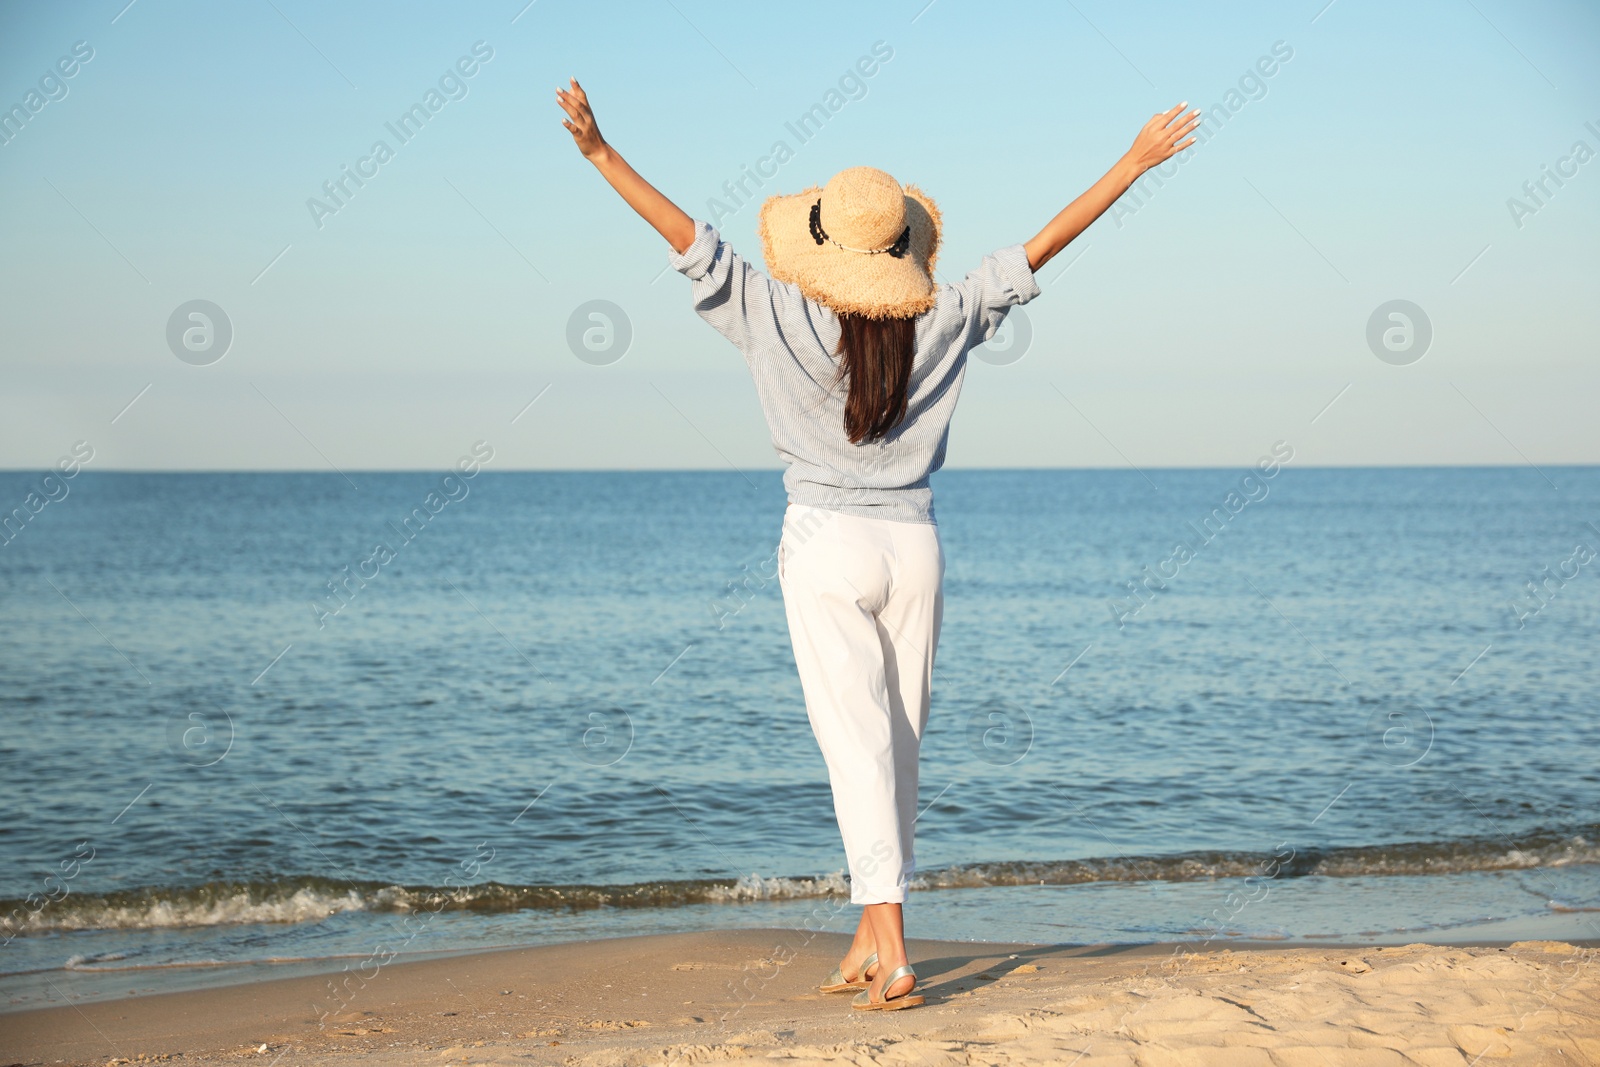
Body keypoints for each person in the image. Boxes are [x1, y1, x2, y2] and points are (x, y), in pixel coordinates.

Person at [558, 77, 1199, 1011]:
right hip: (914, 547)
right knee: (895, 749)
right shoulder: (941, 317)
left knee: (858, 751)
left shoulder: (776, 313)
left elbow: (686, 235)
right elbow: (1038, 247)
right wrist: (1133, 164)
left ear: (823, 243)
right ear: (903, 249)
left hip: (824, 546)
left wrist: (601, 152)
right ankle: (869, 938)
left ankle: (895, 950)